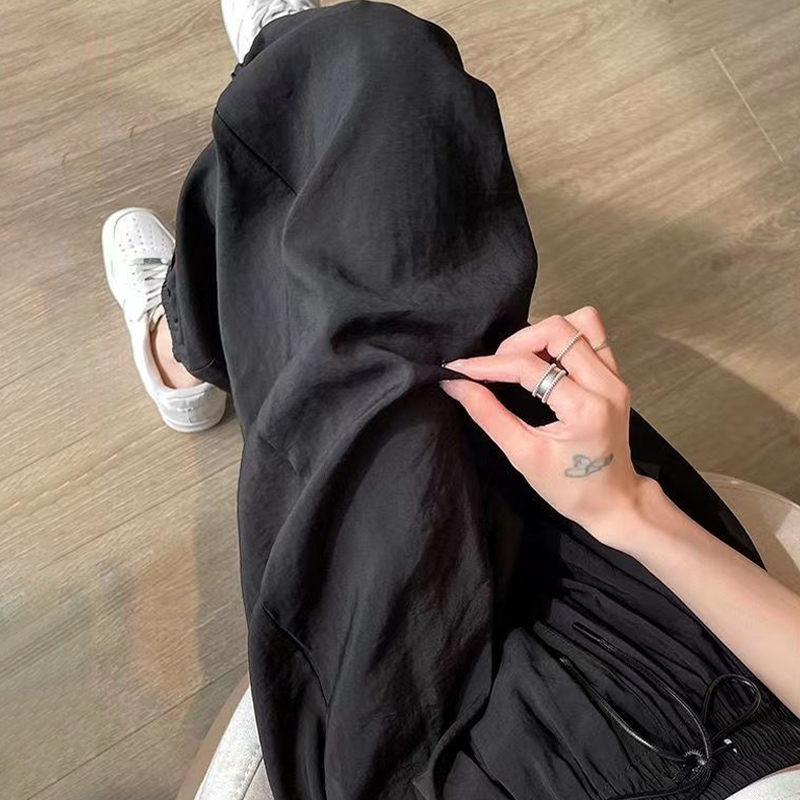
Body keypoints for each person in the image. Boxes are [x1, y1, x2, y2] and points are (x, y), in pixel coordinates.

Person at [102, 1, 800, 798]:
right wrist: (630, 509)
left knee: (372, 336)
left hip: (453, 759)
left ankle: (191, 331)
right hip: (706, 659)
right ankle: (205, 310)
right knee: (408, 178)